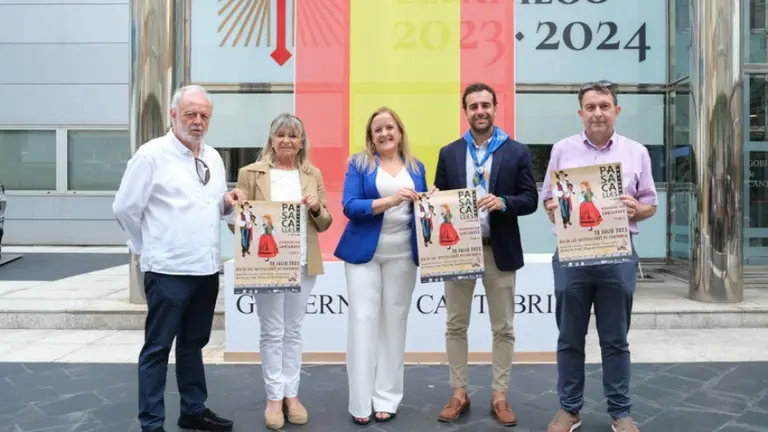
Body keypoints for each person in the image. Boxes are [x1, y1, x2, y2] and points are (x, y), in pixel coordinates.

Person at [112, 85, 244, 432]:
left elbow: (213, 205)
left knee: (193, 344)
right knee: (157, 349)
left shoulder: (213, 157)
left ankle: (193, 409)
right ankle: (152, 422)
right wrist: (146, 249)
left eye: (204, 115)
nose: (197, 121)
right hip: (167, 271)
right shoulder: (151, 155)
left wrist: (226, 204)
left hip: (205, 269)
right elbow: (124, 208)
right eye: (190, 114)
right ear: (173, 115)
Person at [541, 80, 658, 432]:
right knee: (569, 337)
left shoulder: (637, 152)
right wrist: (555, 208)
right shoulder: (562, 150)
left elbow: (650, 204)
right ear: (581, 112)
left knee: (615, 339)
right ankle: (569, 409)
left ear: (616, 111)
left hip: (617, 254)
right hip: (572, 254)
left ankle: (621, 412)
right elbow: (547, 199)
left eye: (604, 106)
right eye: (590, 107)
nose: (597, 113)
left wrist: (636, 209)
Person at [433, 82, 538, 427]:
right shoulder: (449, 153)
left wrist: (504, 202)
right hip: (458, 251)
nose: (480, 111)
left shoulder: (517, 151)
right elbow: (440, 198)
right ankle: (458, 393)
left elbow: (531, 199)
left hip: (499, 249)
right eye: (473, 106)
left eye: (485, 105)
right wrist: (433, 199)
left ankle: (499, 395)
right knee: (455, 324)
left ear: (495, 107)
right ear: (465, 111)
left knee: (503, 327)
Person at [234, 113, 333, 430]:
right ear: (271, 140)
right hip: (267, 264)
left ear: (302, 142)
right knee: (272, 331)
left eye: (293, 135)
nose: (287, 140)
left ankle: (292, 395)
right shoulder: (250, 174)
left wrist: (316, 207)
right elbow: (239, 223)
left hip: (303, 262)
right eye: (281, 135)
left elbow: (325, 222)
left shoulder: (312, 174)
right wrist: (236, 210)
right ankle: (274, 397)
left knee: (293, 331)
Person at [334, 107, 428, 426]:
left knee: (394, 324)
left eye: (390, 127)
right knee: (363, 322)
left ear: (399, 132)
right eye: (378, 129)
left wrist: (430, 200)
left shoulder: (416, 167)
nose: (385, 133)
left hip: (403, 254)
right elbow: (350, 206)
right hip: (364, 253)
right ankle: (360, 402)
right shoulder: (359, 164)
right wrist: (391, 200)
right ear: (371, 137)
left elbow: (421, 208)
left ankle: (386, 398)